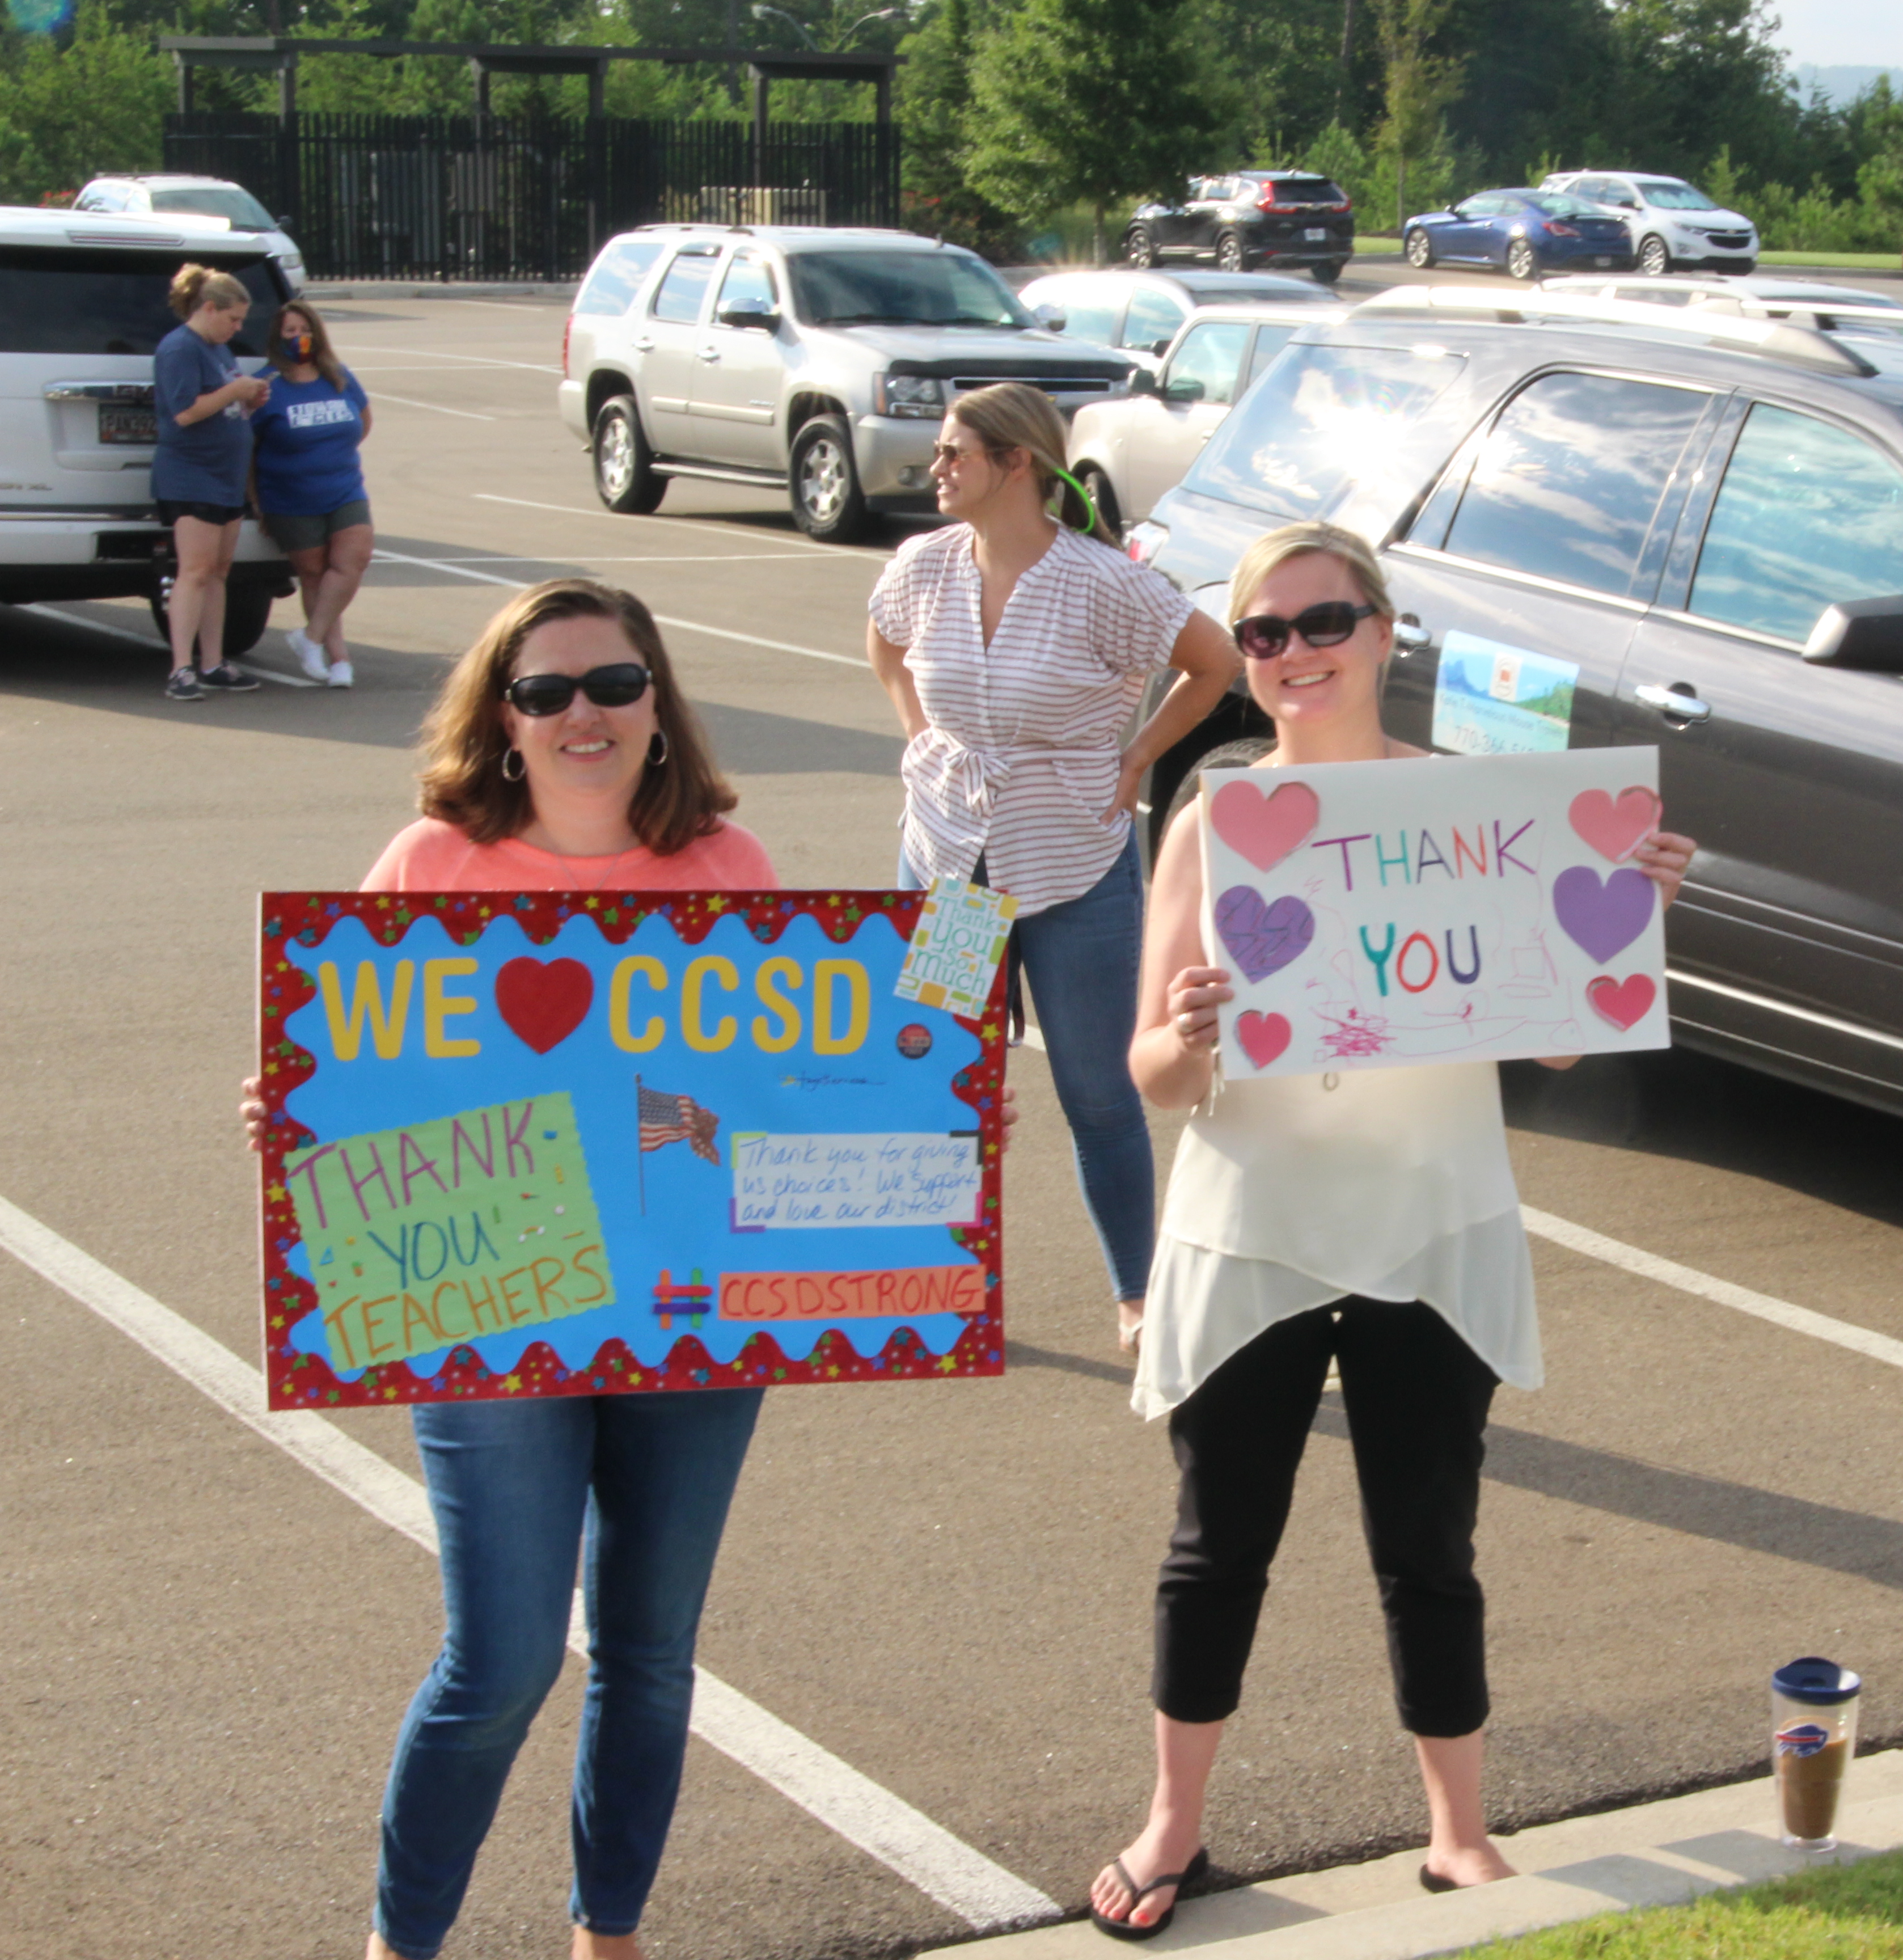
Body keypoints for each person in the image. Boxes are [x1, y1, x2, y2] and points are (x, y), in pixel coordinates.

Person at [1088, 523, 1695, 1938]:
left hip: (1430, 1222)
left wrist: (1619, 930)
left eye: (1324, 621)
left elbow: (1548, 1053)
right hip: (1255, 1226)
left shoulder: (1485, 804)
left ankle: (1459, 1826)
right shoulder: (1214, 814)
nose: (1295, 652)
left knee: (1429, 1537)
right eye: (1263, 633)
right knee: (1214, 1540)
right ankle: (1174, 1818)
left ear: (1383, 629)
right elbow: (1152, 1077)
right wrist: (1185, 1037)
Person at [240, 580, 780, 1960]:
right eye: (544, 692)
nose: (580, 714)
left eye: (610, 684)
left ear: (657, 703)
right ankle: (402, 1940)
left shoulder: (730, 866)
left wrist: (942, 1036)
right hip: (495, 1306)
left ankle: (611, 1931)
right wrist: (296, 1106)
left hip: (687, 1316)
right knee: (502, 1660)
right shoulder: (431, 863)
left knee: (652, 1654)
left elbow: (806, 1086)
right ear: (502, 717)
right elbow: (348, 1076)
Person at [864, 382, 1238, 1355]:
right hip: (952, 868)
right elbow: (885, 644)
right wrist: (920, 737)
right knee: (943, 1080)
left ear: (1015, 463)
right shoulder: (924, 565)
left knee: (1098, 1094)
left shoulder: (1099, 582)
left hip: (1071, 861)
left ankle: (1136, 1296)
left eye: (954, 454)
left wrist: (1136, 755)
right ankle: (937, 1281)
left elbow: (1215, 662)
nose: (936, 469)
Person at [154, 262, 269, 700]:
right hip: (191, 475)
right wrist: (234, 392)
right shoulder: (180, 348)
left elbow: (222, 407)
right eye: (233, 319)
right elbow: (185, 412)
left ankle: (213, 661)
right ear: (208, 308)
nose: (237, 328)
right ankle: (181, 668)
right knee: (196, 570)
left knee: (220, 571)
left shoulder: (219, 349)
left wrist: (249, 401)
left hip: (226, 476)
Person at [251, 296, 373, 686]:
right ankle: (338, 660)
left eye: (305, 331)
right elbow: (246, 450)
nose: (299, 338)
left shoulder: (338, 376)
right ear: (278, 337)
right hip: (290, 497)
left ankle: (309, 638)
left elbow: (364, 421)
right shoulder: (267, 384)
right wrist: (257, 502)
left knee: (352, 561)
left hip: (344, 488)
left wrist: (330, 453)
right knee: (315, 575)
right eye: (291, 331)